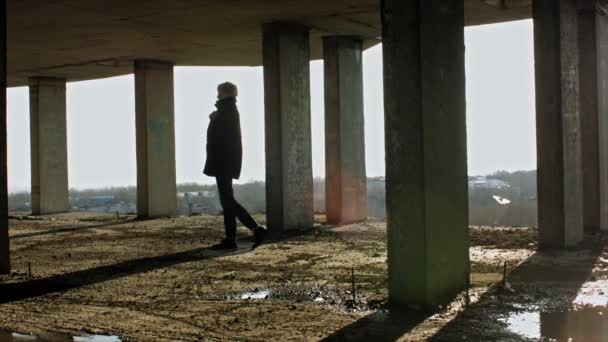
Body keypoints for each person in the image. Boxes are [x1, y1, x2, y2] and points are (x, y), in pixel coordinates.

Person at [203, 82, 267, 250]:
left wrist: (214, 118)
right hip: (224, 161)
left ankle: (255, 230)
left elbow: (222, 138)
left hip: (223, 161)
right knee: (227, 200)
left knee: (228, 200)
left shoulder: (226, 111)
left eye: (218, 93)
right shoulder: (227, 110)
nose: (217, 96)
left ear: (223, 93)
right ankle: (234, 237)